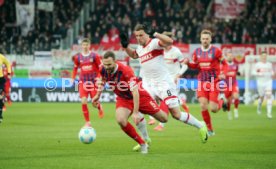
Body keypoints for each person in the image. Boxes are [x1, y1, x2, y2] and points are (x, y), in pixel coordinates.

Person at [120, 23, 208, 142]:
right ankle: (145, 141)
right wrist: (126, 47)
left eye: (141, 35)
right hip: (148, 84)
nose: (139, 38)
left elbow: (169, 41)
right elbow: (134, 55)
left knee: (176, 115)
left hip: (164, 83)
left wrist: (155, 34)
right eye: (136, 36)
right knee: (138, 107)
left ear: (147, 34)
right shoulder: (140, 48)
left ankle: (201, 125)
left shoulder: (155, 43)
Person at [92, 51, 169, 154]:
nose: (107, 67)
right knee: (120, 120)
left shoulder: (126, 71)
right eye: (105, 64)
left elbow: (135, 92)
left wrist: (136, 112)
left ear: (115, 61)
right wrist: (97, 95)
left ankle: (165, 100)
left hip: (140, 96)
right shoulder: (103, 69)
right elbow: (102, 80)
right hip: (123, 98)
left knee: (163, 119)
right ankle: (143, 143)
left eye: (109, 64)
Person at [185, 29, 227, 136]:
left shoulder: (216, 51)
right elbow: (196, 66)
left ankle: (222, 99)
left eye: (207, 39)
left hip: (214, 82)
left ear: (210, 39)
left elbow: (225, 64)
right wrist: (188, 64)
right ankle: (210, 129)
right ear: (200, 39)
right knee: (203, 106)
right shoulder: (197, 52)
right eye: (203, 39)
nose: (205, 40)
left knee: (213, 109)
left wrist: (224, 73)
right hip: (202, 82)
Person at [148, 31, 190, 131]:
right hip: (160, 79)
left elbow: (184, 65)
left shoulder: (176, 52)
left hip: (172, 80)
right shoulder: (159, 50)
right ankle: (180, 101)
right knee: (154, 97)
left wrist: (178, 75)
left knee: (165, 101)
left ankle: (161, 125)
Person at [71, 38, 105, 127]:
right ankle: (87, 122)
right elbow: (75, 68)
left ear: (89, 45)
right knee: (83, 101)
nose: (85, 46)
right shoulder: (78, 57)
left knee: (94, 102)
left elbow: (100, 67)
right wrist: (73, 78)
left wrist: (99, 78)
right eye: (84, 45)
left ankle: (99, 107)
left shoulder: (95, 56)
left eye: (87, 45)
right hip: (83, 82)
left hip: (93, 82)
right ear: (81, 46)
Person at [252, 51, 274, 119]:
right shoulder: (258, 64)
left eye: (265, 56)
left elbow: (272, 71)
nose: (264, 57)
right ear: (261, 57)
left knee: (269, 96)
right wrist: (259, 74)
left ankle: (269, 113)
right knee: (261, 97)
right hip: (260, 82)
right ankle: (259, 106)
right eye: (263, 56)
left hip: (268, 82)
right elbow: (253, 72)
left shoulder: (269, 64)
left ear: (266, 57)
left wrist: (272, 73)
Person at [223, 51, 240, 120]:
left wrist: (238, 74)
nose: (230, 57)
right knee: (228, 101)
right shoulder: (223, 65)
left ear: (233, 57)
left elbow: (237, 73)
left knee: (236, 96)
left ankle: (236, 110)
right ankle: (229, 112)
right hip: (226, 85)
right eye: (228, 56)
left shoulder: (236, 65)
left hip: (234, 83)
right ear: (226, 57)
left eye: (231, 56)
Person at [0, 53, 11, 123]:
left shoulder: (1, 57)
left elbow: (8, 64)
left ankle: (0, 114)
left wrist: (9, 73)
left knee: (0, 97)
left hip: (0, 79)